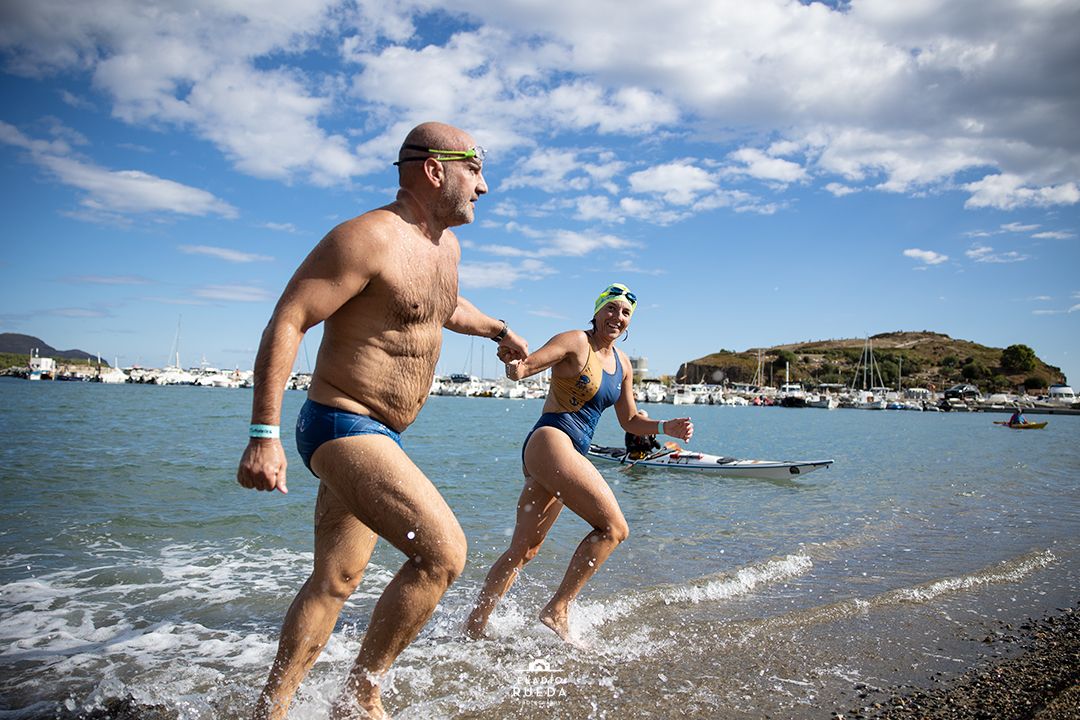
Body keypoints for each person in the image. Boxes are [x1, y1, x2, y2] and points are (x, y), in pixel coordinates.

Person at [236, 121, 528, 720]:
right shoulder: (365, 238)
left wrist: (498, 329)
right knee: (444, 555)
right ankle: (361, 693)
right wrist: (263, 434)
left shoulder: (445, 247)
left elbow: (443, 306)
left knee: (335, 581)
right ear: (433, 169)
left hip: (379, 434)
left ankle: (270, 708)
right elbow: (288, 318)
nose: (485, 186)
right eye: (474, 168)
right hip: (342, 424)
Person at [464, 283, 693, 643]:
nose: (617, 317)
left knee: (524, 550)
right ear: (598, 310)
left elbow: (630, 420)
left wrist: (667, 427)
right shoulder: (574, 341)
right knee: (614, 528)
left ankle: (473, 626)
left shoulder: (623, 365)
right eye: (612, 309)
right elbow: (524, 369)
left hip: (566, 453)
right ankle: (558, 609)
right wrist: (512, 363)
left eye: (625, 313)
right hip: (551, 440)